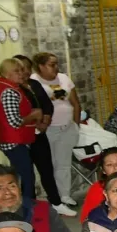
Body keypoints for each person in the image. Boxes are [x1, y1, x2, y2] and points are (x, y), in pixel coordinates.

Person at [30, 53, 80, 215]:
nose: (56, 67)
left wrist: (76, 124)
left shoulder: (64, 78)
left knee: (64, 164)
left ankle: (65, 195)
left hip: (67, 127)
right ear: (41, 66)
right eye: (52, 64)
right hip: (49, 129)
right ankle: (53, 197)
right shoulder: (33, 81)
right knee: (49, 164)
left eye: (57, 63)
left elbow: (75, 103)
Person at [0, 58, 42, 202]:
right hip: (14, 140)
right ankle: (26, 211)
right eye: (17, 71)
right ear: (7, 74)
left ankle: (24, 208)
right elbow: (14, 121)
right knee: (26, 178)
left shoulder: (10, 88)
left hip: (17, 139)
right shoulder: (8, 91)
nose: (21, 74)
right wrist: (33, 115)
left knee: (23, 176)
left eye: (21, 70)